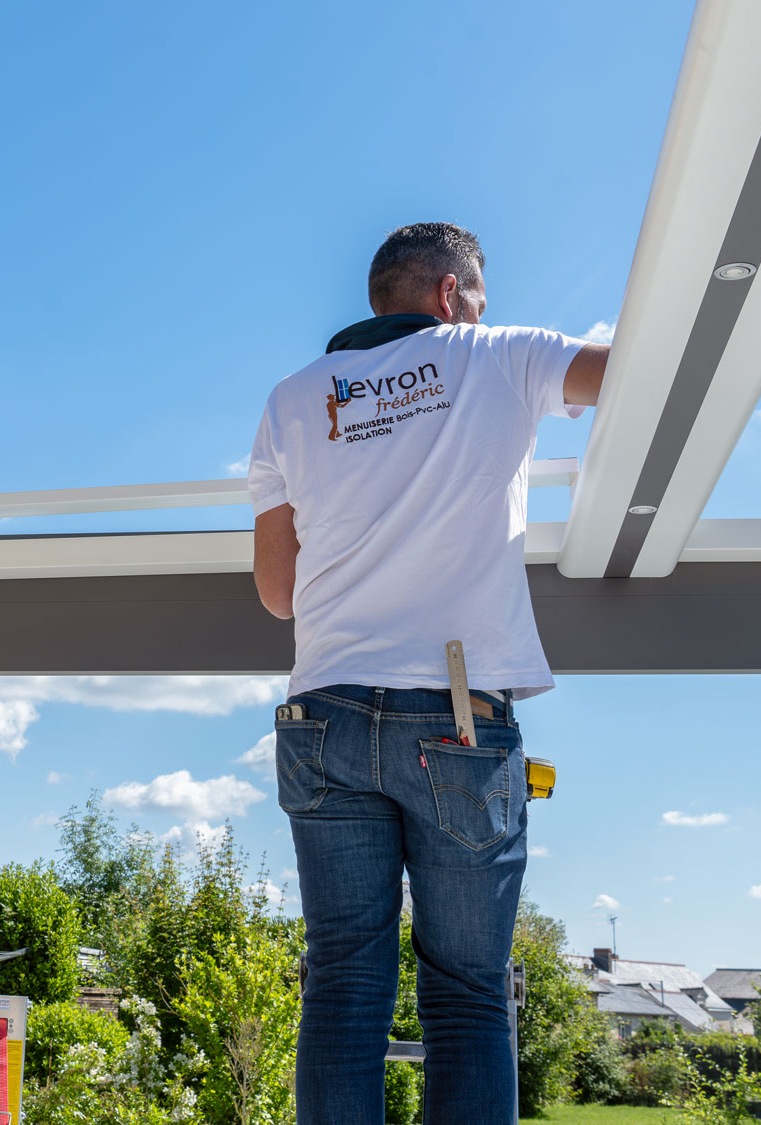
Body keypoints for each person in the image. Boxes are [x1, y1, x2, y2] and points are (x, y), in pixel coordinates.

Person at [245, 223, 608, 1123]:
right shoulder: (499, 355)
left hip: (322, 714)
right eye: (478, 298)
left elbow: (278, 593)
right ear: (453, 295)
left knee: (341, 984)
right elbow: (629, 372)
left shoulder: (294, 397)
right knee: (468, 989)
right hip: (452, 717)